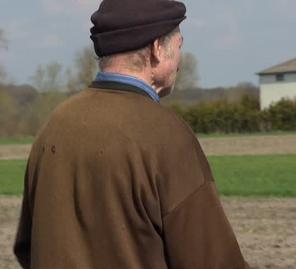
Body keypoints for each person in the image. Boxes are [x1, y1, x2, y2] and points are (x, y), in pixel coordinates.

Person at [13, 0, 250, 268]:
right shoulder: (167, 136)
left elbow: (28, 247)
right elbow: (212, 261)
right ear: (158, 49)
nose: (180, 61)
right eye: (179, 46)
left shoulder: (54, 126)